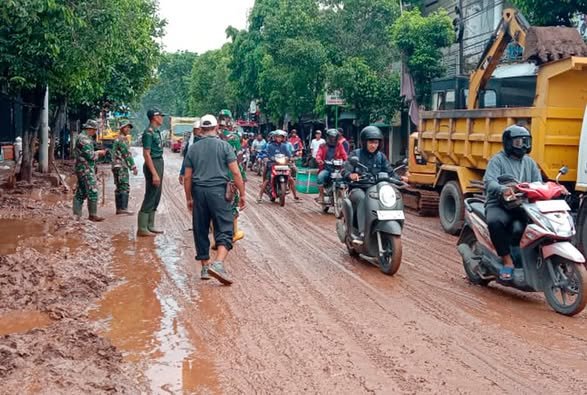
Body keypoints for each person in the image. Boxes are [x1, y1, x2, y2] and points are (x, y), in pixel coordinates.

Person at [183, 114, 246, 285]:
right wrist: (243, 194)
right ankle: (218, 263)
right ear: (216, 128)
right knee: (225, 228)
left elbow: (187, 177)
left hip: (199, 192)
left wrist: (189, 198)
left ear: (202, 130)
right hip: (219, 192)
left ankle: (205, 267)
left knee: (201, 229)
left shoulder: (193, 149)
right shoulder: (224, 146)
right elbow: (235, 172)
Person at [484, 125, 541, 281]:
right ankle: (507, 261)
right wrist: (502, 189)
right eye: (518, 142)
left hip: (523, 205)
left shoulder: (530, 163)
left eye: (526, 142)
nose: (523, 146)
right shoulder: (497, 160)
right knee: (494, 222)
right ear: (508, 143)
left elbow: (538, 183)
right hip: (499, 204)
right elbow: (489, 182)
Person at [342, 126, 399, 244]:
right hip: (358, 188)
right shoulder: (355, 154)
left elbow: (390, 172)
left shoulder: (381, 157)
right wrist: (350, 175)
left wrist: (400, 178)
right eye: (371, 142)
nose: (374, 145)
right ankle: (362, 232)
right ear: (364, 142)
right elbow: (345, 170)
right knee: (363, 198)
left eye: (376, 142)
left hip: (376, 189)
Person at [137, 108, 166, 237]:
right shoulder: (148, 133)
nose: (162, 118)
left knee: (157, 195)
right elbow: (146, 154)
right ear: (154, 117)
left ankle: (150, 225)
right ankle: (142, 227)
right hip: (152, 163)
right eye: (160, 115)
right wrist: (154, 173)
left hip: (159, 162)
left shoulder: (156, 131)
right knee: (150, 194)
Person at [72, 119, 107, 221]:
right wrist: (99, 153)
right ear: (90, 129)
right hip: (85, 169)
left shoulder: (84, 138)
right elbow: (90, 155)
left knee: (81, 192)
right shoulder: (84, 139)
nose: (95, 132)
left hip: (83, 168)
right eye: (94, 130)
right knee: (93, 190)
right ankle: (92, 215)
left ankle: (76, 216)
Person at [257, 130, 294, 203]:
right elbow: (264, 153)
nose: (279, 138)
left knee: (290, 178)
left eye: (280, 137)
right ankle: (259, 195)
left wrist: (290, 157)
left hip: (282, 165)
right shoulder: (270, 146)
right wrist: (266, 158)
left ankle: (294, 194)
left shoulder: (284, 146)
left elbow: (289, 154)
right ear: (275, 137)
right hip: (272, 164)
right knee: (267, 179)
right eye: (278, 137)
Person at [111, 120, 138, 215]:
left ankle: (119, 209)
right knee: (124, 186)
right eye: (126, 127)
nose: (128, 129)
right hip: (121, 166)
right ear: (122, 128)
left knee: (118, 186)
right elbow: (126, 154)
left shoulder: (117, 138)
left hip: (115, 165)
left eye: (129, 127)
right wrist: (133, 167)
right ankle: (123, 208)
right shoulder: (122, 139)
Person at [316, 128, 348, 203]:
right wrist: (319, 160)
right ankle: (321, 195)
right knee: (320, 177)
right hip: (326, 169)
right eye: (331, 137)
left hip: (338, 169)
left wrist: (347, 161)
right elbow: (318, 154)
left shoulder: (339, 145)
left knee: (346, 179)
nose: (333, 139)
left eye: (334, 137)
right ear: (328, 137)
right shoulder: (322, 146)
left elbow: (344, 155)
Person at [179, 118, 202, 185]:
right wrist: (182, 172)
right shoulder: (190, 142)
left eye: (198, 129)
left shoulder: (207, 142)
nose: (196, 131)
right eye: (195, 129)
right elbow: (186, 157)